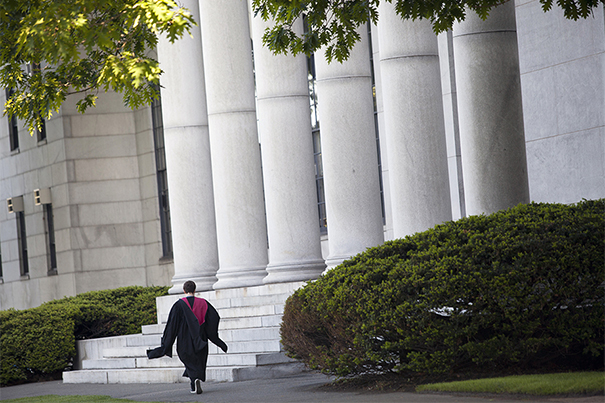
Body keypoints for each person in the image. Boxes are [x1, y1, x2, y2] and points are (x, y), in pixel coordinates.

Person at [147, 280, 228, 394]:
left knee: (188, 360)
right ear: (195, 290)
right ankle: (195, 380)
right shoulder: (204, 303)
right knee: (198, 360)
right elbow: (214, 318)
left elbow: (172, 325)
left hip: (184, 340)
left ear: (184, 290)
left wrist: (166, 343)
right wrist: (216, 339)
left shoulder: (178, 305)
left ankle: (194, 381)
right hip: (200, 339)